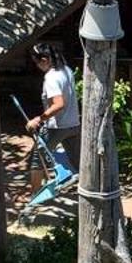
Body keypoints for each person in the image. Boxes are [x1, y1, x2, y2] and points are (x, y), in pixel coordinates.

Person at [29, 42, 80, 180]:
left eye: (37, 63)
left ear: (44, 60)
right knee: (78, 161)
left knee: (37, 161)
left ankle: (35, 197)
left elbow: (59, 104)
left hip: (56, 127)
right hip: (74, 124)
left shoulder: (51, 77)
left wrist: (38, 119)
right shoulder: (66, 70)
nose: (37, 66)